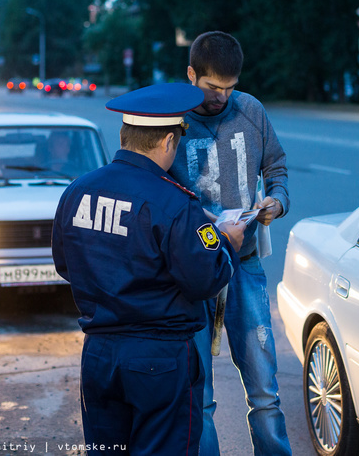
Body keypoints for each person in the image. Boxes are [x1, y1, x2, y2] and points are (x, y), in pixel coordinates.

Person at [51, 83, 246, 456]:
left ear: (125, 136)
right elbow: (205, 279)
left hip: (99, 356)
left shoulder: (77, 191)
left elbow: (66, 264)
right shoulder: (174, 201)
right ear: (169, 142)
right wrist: (228, 244)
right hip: (159, 361)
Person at [168, 31, 292, 456]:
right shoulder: (173, 122)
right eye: (212, 87)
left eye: (230, 88)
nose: (222, 97)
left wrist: (277, 200)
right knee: (198, 396)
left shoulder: (251, 110)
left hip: (246, 267)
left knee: (265, 391)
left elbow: (276, 165)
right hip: (194, 274)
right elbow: (160, 192)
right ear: (191, 74)